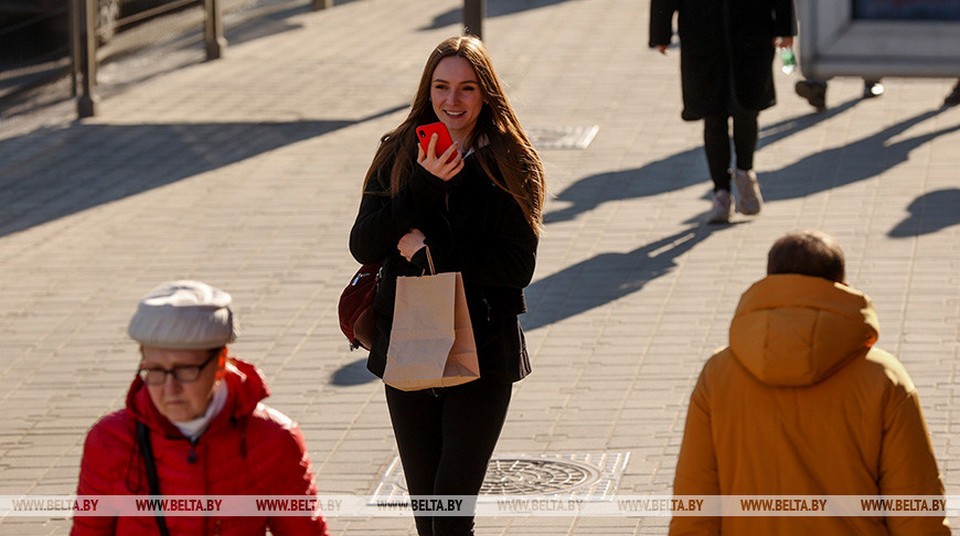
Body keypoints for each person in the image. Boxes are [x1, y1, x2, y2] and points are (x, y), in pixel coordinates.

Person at [349, 35, 545, 535]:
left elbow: (516, 266)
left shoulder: (508, 162)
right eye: (441, 87)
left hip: (482, 348)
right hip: (407, 342)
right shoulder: (398, 152)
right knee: (427, 517)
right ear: (427, 90)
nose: (452, 101)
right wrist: (424, 184)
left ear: (486, 95)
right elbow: (365, 243)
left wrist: (433, 255)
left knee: (451, 517)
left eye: (466, 88)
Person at [670, 230, 950, 535]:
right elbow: (914, 502)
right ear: (841, 286)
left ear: (770, 285)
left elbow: (696, 493)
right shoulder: (884, 377)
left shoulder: (719, 375)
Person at [71, 280, 329, 536]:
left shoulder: (274, 439)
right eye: (156, 371)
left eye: (185, 370)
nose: (169, 389)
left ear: (220, 363)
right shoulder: (110, 440)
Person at [649, 0, 796, 224]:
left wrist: (785, 28)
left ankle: (745, 172)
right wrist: (660, 32)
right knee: (713, 115)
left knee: (747, 110)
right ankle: (721, 193)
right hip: (703, 37)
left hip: (752, 34)